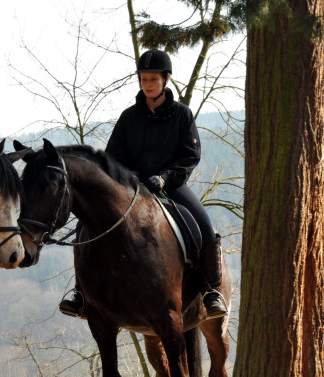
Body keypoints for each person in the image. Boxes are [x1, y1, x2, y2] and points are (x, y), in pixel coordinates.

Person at [59, 49, 228, 320]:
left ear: (166, 80)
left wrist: (164, 178)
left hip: (170, 186)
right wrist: (126, 179)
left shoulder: (182, 115)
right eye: (143, 79)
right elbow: (112, 157)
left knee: (204, 226)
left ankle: (211, 292)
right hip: (131, 189)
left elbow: (190, 156)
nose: (147, 84)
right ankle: (81, 294)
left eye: (153, 79)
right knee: (85, 225)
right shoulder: (129, 117)